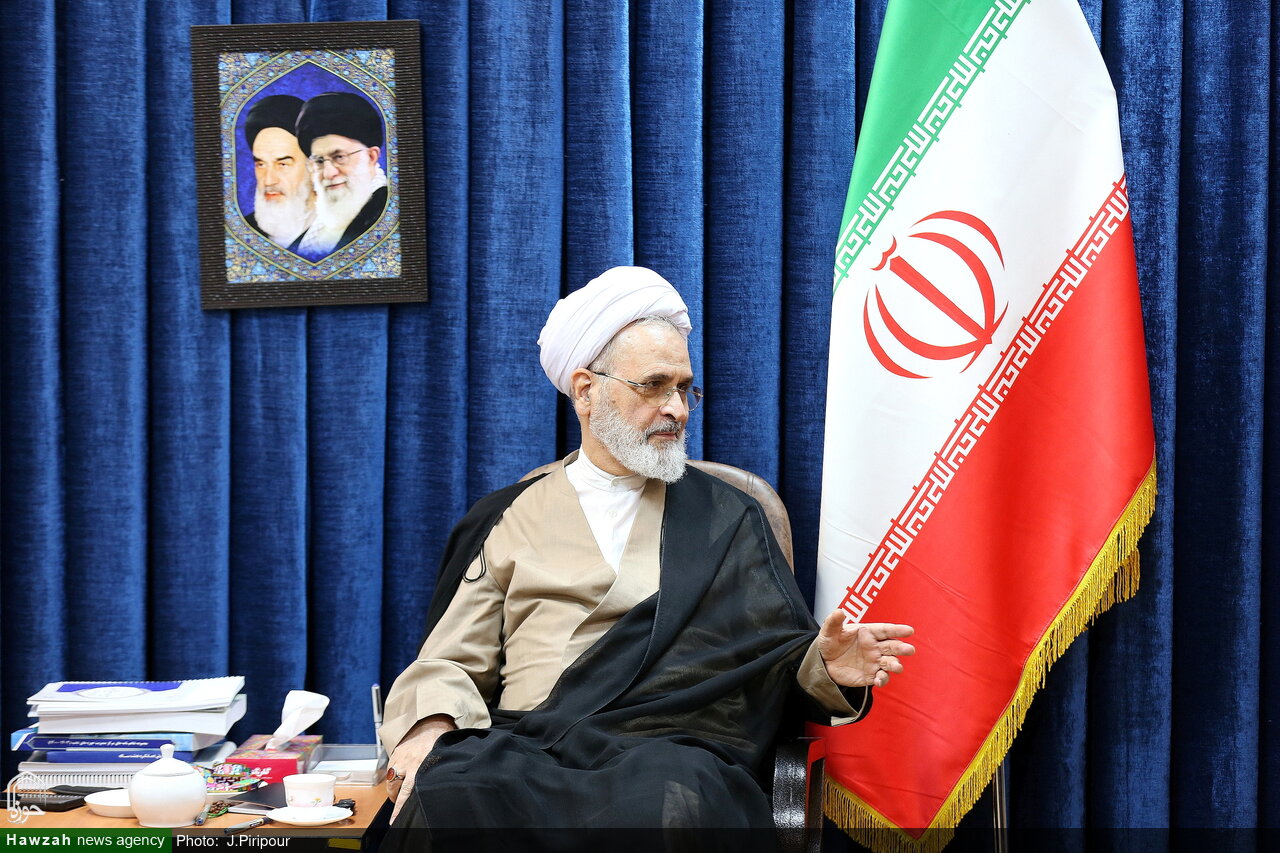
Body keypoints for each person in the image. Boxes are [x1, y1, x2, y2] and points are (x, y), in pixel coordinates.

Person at [380, 267, 915, 846]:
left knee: (669, 794)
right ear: (586, 390)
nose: (677, 409)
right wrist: (428, 728)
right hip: (526, 747)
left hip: (665, 749)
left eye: (684, 388)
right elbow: (451, 661)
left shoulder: (726, 515)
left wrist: (825, 667)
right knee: (449, 789)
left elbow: (772, 660)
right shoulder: (507, 517)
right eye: (654, 385)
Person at [293, 92, 388, 257]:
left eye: (339, 157)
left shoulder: (390, 215)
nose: (328, 173)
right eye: (319, 161)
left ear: (371, 157)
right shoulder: (312, 233)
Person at [241, 95, 315, 250]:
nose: (268, 181)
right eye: (261, 164)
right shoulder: (242, 232)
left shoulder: (347, 231)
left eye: (282, 164)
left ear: (314, 166)